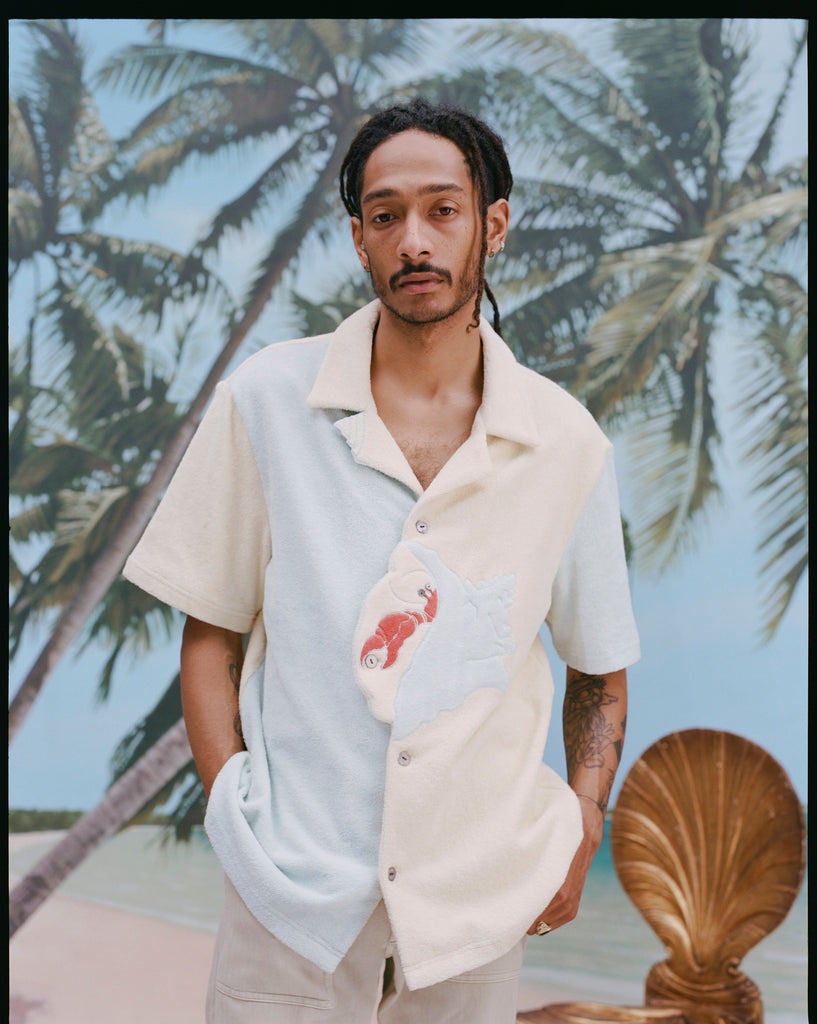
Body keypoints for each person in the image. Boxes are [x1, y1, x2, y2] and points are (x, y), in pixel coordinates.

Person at [123, 97, 639, 1023]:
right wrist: (234, 810)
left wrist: (580, 822)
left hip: (476, 894)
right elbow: (212, 634)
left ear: (493, 225)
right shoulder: (268, 403)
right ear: (358, 239)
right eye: (384, 214)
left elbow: (597, 667)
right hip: (293, 889)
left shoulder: (564, 442)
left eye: (442, 210)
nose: (414, 240)